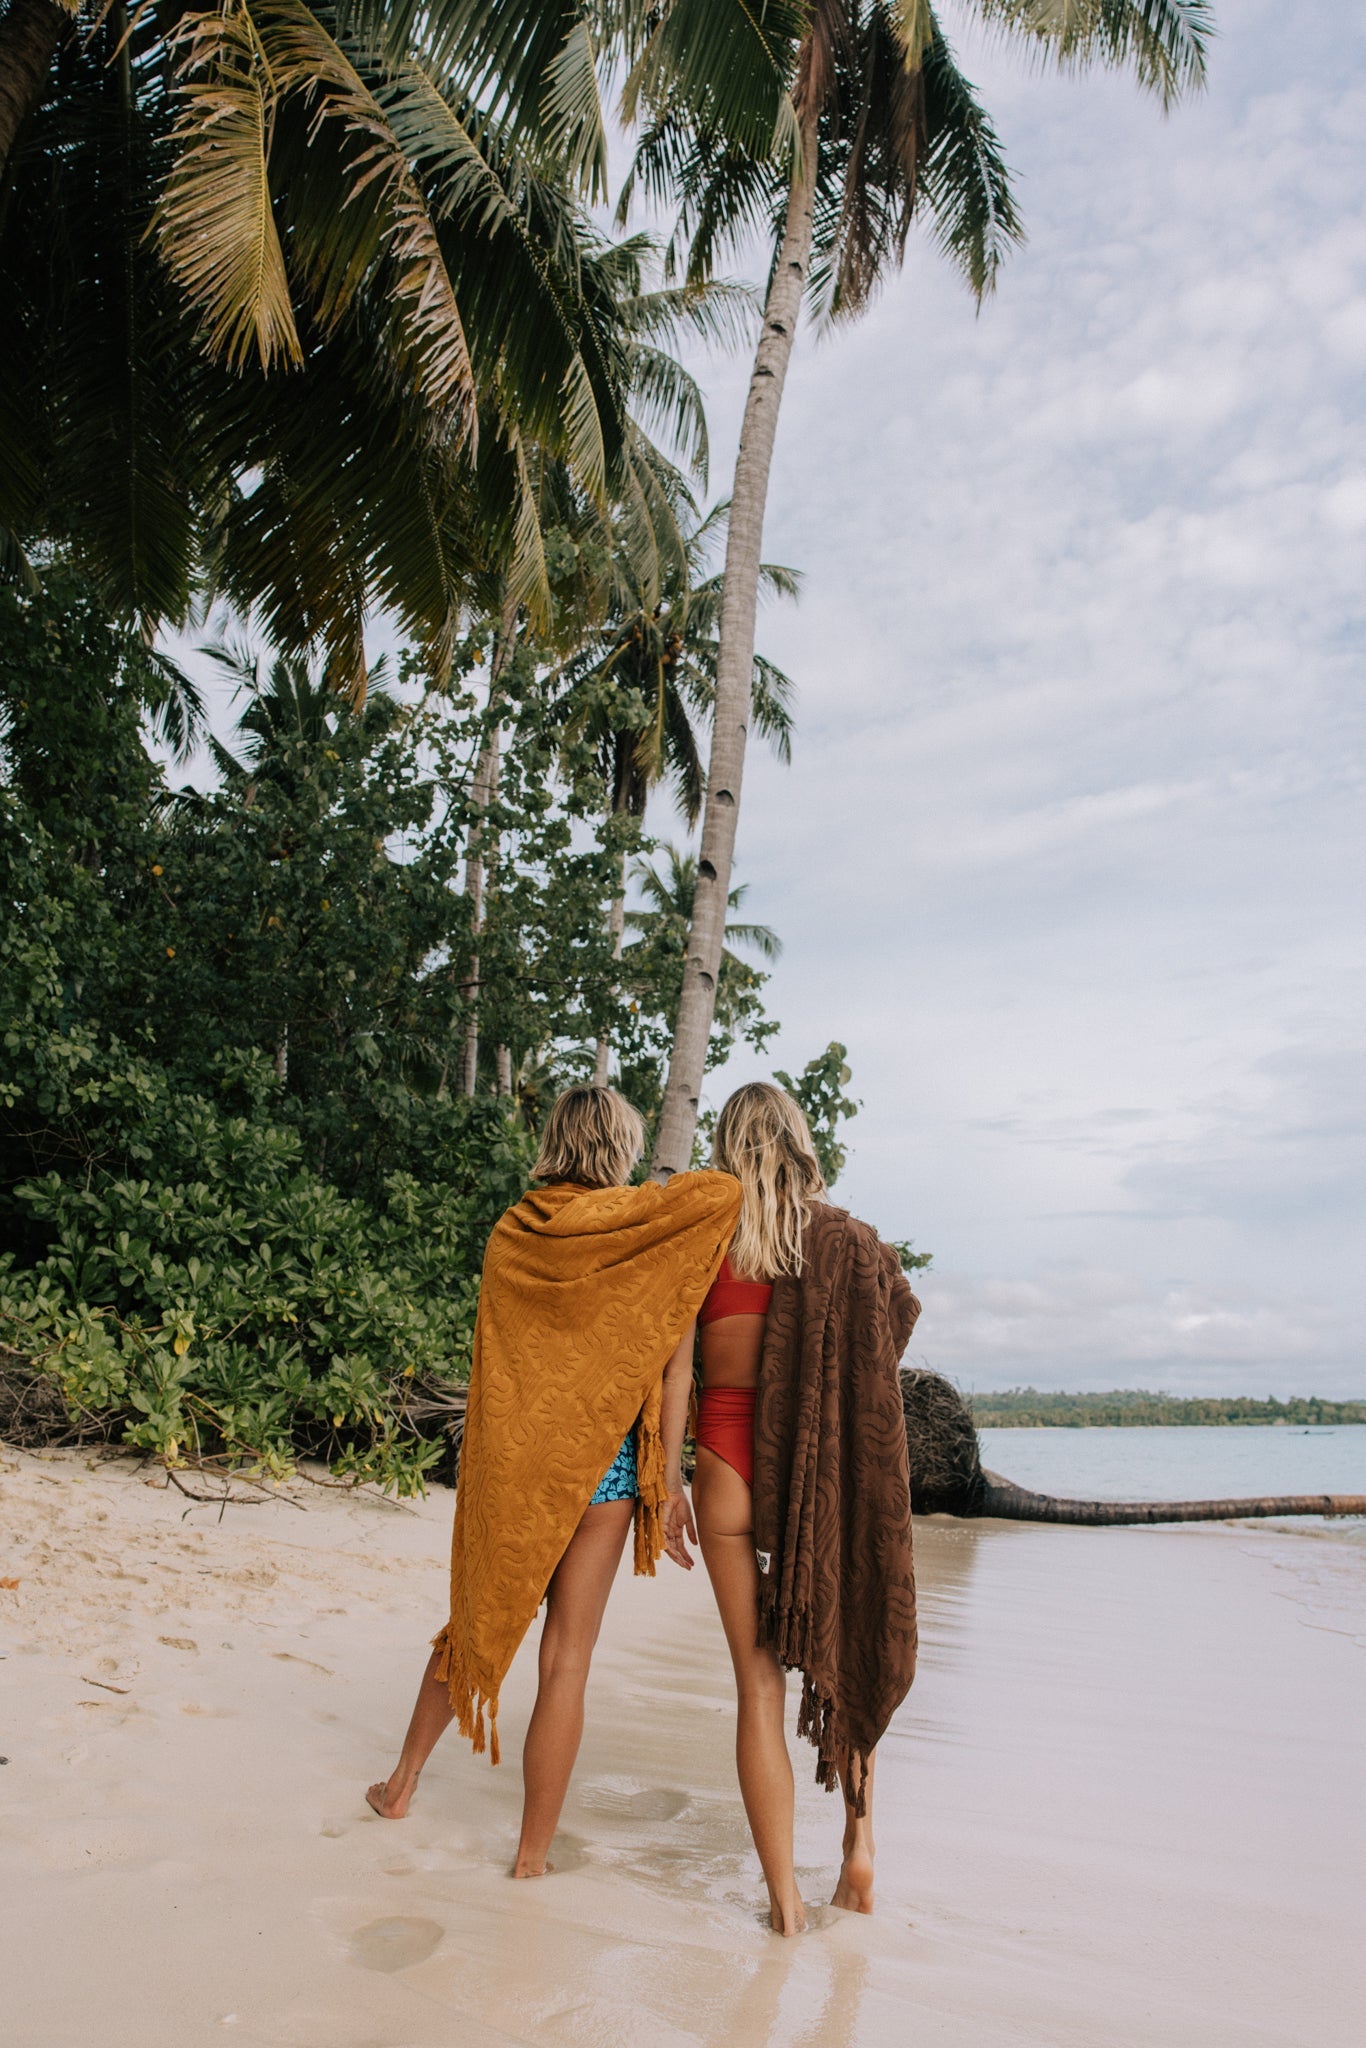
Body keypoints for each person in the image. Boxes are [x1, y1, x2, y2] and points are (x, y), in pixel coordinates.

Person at [366, 1084, 740, 1878]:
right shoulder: (649, 1235)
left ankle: (400, 1787)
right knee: (566, 1661)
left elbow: (502, 1358)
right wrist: (667, 1477)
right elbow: (676, 1369)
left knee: (474, 1623)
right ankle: (531, 1858)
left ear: (557, 1141)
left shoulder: (517, 1231)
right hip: (605, 1472)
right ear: (619, 1148)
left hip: (517, 1466)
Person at [663, 1082, 920, 1934]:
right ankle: (858, 1850)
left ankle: (785, 1904)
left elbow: (676, 1371)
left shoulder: (705, 1239)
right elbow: (891, 1328)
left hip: (727, 1470)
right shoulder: (843, 1240)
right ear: (797, 1141)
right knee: (842, 1647)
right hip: (809, 1480)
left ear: (730, 1145)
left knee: (759, 1687)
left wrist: (665, 1483)